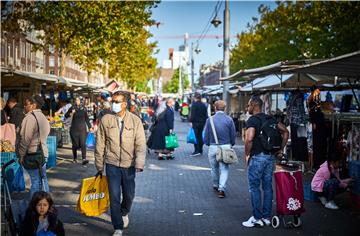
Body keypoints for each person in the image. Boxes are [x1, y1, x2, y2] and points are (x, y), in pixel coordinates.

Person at [95, 91, 146, 236]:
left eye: (117, 102)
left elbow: (141, 144)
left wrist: (139, 163)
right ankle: (118, 227)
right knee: (114, 196)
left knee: (129, 195)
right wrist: (99, 166)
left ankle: (124, 212)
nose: (114, 104)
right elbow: (100, 143)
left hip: (129, 165)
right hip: (111, 164)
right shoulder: (106, 119)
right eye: (113, 101)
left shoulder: (135, 121)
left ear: (124, 104)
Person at [242, 96, 289, 227]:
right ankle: (266, 217)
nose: (248, 108)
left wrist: (247, 154)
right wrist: (280, 150)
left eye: (249, 105)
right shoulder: (271, 119)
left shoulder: (252, 120)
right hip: (270, 157)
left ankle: (257, 218)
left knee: (254, 187)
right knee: (268, 187)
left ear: (254, 105)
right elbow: (285, 132)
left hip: (257, 157)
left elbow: (249, 138)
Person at [18, 95, 51, 197]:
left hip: (33, 154)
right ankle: (46, 204)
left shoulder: (30, 118)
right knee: (43, 179)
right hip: (42, 152)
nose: (24, 106)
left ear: (33, 105)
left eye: (26, 104)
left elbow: (25, 139)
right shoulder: (43, 117)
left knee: (35, 181)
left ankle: (35, 207)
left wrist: (21, 155)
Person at [203, 100, 236, 198]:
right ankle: (221, 189)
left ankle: (215, 184)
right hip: (225, 147)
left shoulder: (210, 120)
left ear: (215, 108)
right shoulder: (229, 119)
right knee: (224, 168)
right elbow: (233, 135)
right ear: (224, 108)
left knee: (214, 168)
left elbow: (206, 135)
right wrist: (231, 144)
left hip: (213, 147)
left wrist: (208, 143)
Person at [65, 97, 92, 165]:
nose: (77, 101)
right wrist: (71, 113)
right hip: (74, 129)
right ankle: (74, 158)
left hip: (82, 130)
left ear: (80, 101)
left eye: (78, 100)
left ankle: (84, 159)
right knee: (75, 144)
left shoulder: (84, 109)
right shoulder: (72, 108)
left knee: (83, 144)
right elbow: (66, 115)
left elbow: (87, 119)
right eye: (76, 100)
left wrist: (90, 127)